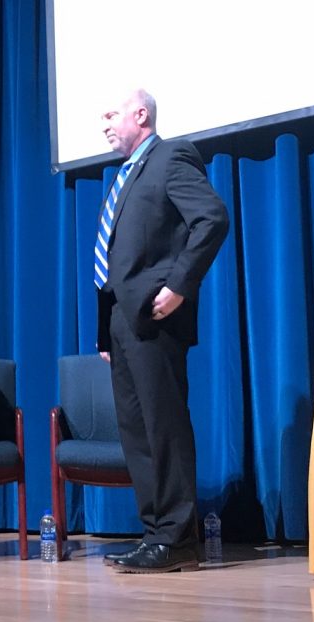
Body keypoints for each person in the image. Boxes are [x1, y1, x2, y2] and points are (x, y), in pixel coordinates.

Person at [94, 90, 229, 573]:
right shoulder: (126, 175)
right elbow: (114, 261)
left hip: (156, 316)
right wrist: (104, 336)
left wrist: (178, 287)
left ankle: (176, 539)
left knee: (163, 427)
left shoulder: (171, 156)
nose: (104, 124)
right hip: (123, 325)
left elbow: (211, 218)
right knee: (137, 433)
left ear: (140, 114)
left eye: (110, 114)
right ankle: (155, 536)